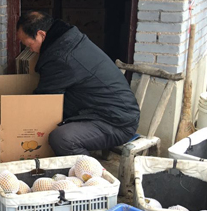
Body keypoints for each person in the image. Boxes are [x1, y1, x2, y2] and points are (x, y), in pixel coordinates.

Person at [17, 10, 140, 156]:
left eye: (29, 44)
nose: (30, 50)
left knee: (62, 139)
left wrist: (15, 117)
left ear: (41, 35)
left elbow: (44, 100)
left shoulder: (61, 57)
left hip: (116, 122)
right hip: (103, 112)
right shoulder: (68, 41)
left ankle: (90, 170)